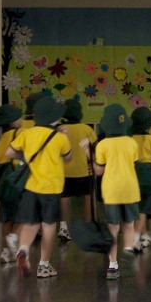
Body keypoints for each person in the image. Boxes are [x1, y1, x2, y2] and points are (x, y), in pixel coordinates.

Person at [10, 92, 74, 277]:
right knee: (48, 225)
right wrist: (65, 137)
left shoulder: (26, 134)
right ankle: (44, 265)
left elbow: (10, 152)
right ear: (54, 119)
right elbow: (68, 158)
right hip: (51, 188)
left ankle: (23, 249)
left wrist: (25, 157)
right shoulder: (59, 138)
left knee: (31, 223)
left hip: (30, 186)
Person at [92, 104, 143, 278]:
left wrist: (88, 155)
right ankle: (127, 249)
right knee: (129, 224)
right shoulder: (132, 142)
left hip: (111, 190)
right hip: (130, 188)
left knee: (113, 227)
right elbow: (134, 165)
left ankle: (113, 265)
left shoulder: (102, 145)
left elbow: (99, 171)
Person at [0, 105, 27, 264]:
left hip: (3, 183)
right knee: (25, 213)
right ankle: (14, 236)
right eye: (19, 117)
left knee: (6, 219)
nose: (21, 120)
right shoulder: (22, 134)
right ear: (13, 121)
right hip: (19, 179)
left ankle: (4, 253)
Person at [57, 94, 96, 232]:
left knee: (65, 197)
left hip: (64, 171)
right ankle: (87, 225)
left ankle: (63, 227)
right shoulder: (86, 129)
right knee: (87, 197)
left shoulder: (60, 129)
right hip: (84, 170)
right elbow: (93, 149)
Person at [129, 105, 151, 254]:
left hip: (132, 177)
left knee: (137, 209)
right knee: (144, 210)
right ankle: (138, 238)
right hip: (149, 178)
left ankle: (143, 235)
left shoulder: (130, 139)